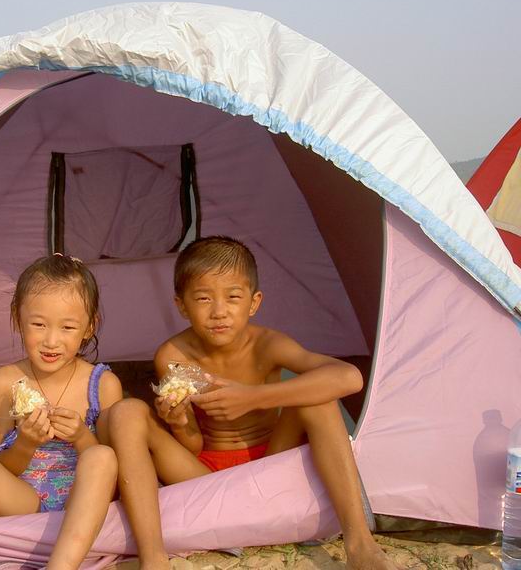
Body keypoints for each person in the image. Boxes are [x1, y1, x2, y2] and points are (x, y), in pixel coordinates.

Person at [106, 236, 396, 570]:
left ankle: (360, 544)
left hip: (269, 464)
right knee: (127, 411)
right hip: (205, 476)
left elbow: (349, 377)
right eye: (203, 298)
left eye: (233, 297)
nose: (219, 312)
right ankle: (154, 558)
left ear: (254, 302)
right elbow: (193, 444)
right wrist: (178, 422)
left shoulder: (267, 344)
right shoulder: (175, 355)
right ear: (182, 305)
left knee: (318, 399)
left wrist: (252, 397)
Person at [0, 254, 123, 570]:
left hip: (82, 500)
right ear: (17, 318)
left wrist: (80, 437)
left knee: (102, 456)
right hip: (23, 498)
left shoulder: (103, 384)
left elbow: (114, 470)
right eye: (38, 325)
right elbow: (4, 467)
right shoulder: (5, 381)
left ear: (89, 327)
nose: (51, 341)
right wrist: (26, 443)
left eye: (67, 327)